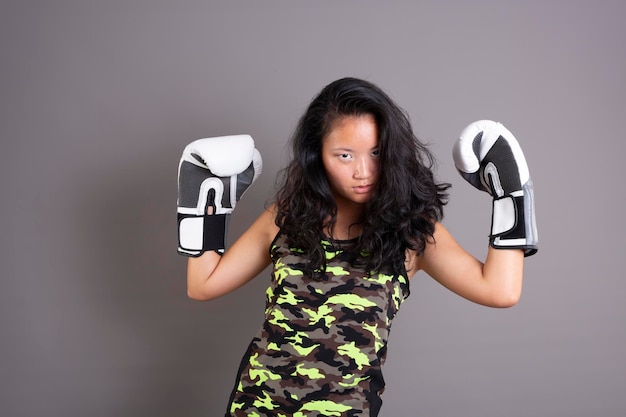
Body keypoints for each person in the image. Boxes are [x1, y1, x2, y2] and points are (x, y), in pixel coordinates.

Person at [176, 77, 538, 417]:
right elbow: (203, 285)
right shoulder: (284, 218)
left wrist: (511, 196)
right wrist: (205, 204)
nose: (363, 171)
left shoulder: (412, 233)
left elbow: (501, 291)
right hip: (256, 406)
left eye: (376, 152)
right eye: (345, 155)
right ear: (317, 155)